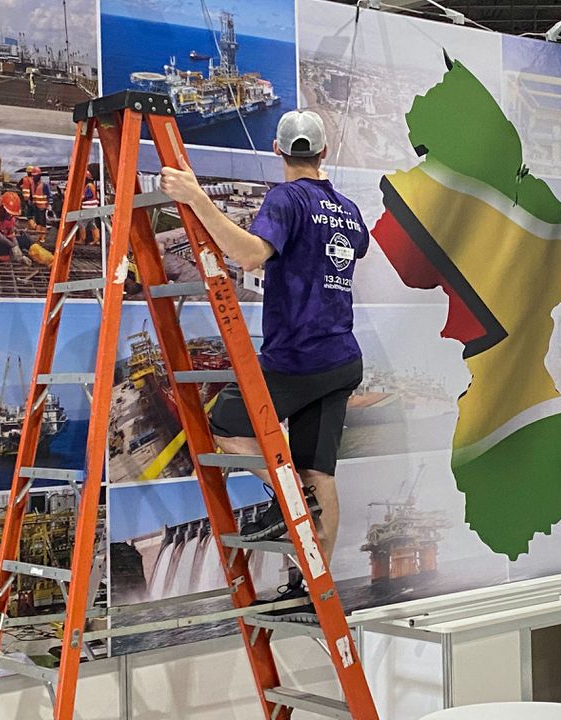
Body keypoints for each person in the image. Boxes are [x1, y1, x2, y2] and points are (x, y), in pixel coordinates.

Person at [159, 110, 367, 612]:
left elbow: (250, 256)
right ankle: (313, 588)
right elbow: (349, 250)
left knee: (223, 425)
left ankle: (287, 494)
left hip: (295, 358)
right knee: (322, 473)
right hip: (342, 358)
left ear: (277, 151)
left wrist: (196, 197)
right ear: (323, 152)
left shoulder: (285, 198)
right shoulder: (349, 210)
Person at [0, 192, 31, 265]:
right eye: (9, 213)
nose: (10, 216)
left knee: (24, 241)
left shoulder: (11, 219)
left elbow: (12, 236)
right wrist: (12, 245)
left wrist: (19, 253)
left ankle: (1, 257)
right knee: (6, 246)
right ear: (2, 208)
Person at [81, 170, 100, 245]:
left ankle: (82, 239)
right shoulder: (91, 185)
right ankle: (96, 239)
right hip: (92, 207)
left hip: (88, 207)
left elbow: (88, 195)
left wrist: (82, 197)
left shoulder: (88, 186)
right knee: (92, 224)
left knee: (81, 223)